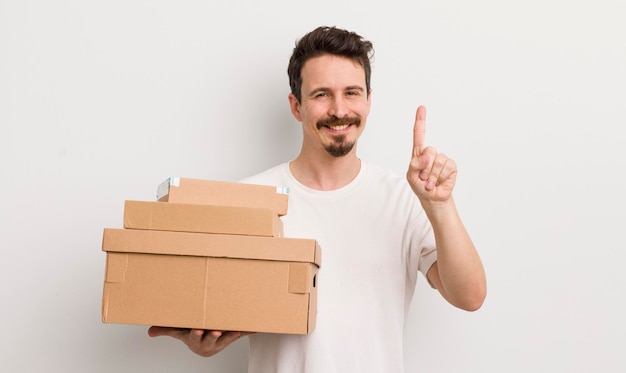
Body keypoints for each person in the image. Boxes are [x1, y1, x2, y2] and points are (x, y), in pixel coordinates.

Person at [148, 25, 487, 372]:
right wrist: (203, 337)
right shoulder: (248, 200)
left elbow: (470, 296)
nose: (339, 110)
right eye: (321, 94)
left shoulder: (403, 198)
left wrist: (440, 206)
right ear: (296, 106)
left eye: (352, 93)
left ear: (369, 101)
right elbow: (213, 306)